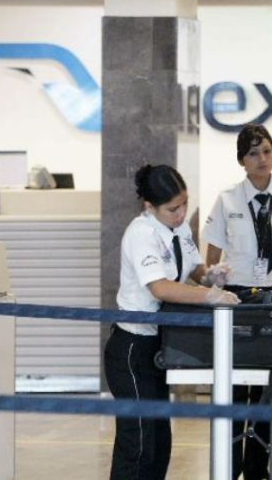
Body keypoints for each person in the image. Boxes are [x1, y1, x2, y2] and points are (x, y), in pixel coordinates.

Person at [104, 164, 240, 480]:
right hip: (131, 348)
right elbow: (161, 287)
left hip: (158, 346)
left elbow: (194, 268)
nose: (180, 214)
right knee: (138, 443)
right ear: (149, 207)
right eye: (172, 209)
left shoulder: (179, 228)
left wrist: (211, 276)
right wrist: (208, 296)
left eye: (184, 205)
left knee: (160, 443)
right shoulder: (141, 233)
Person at [202, 123, 272, 480]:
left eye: (267, 151)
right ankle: (230, 464)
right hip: (237, 298)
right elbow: (212, 254)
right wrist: (211, 290)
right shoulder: (227, 200)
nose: (262, 159)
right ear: (242, 160)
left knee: (269, 388)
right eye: (253, 153)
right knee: (235, 387)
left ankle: (257, 468)